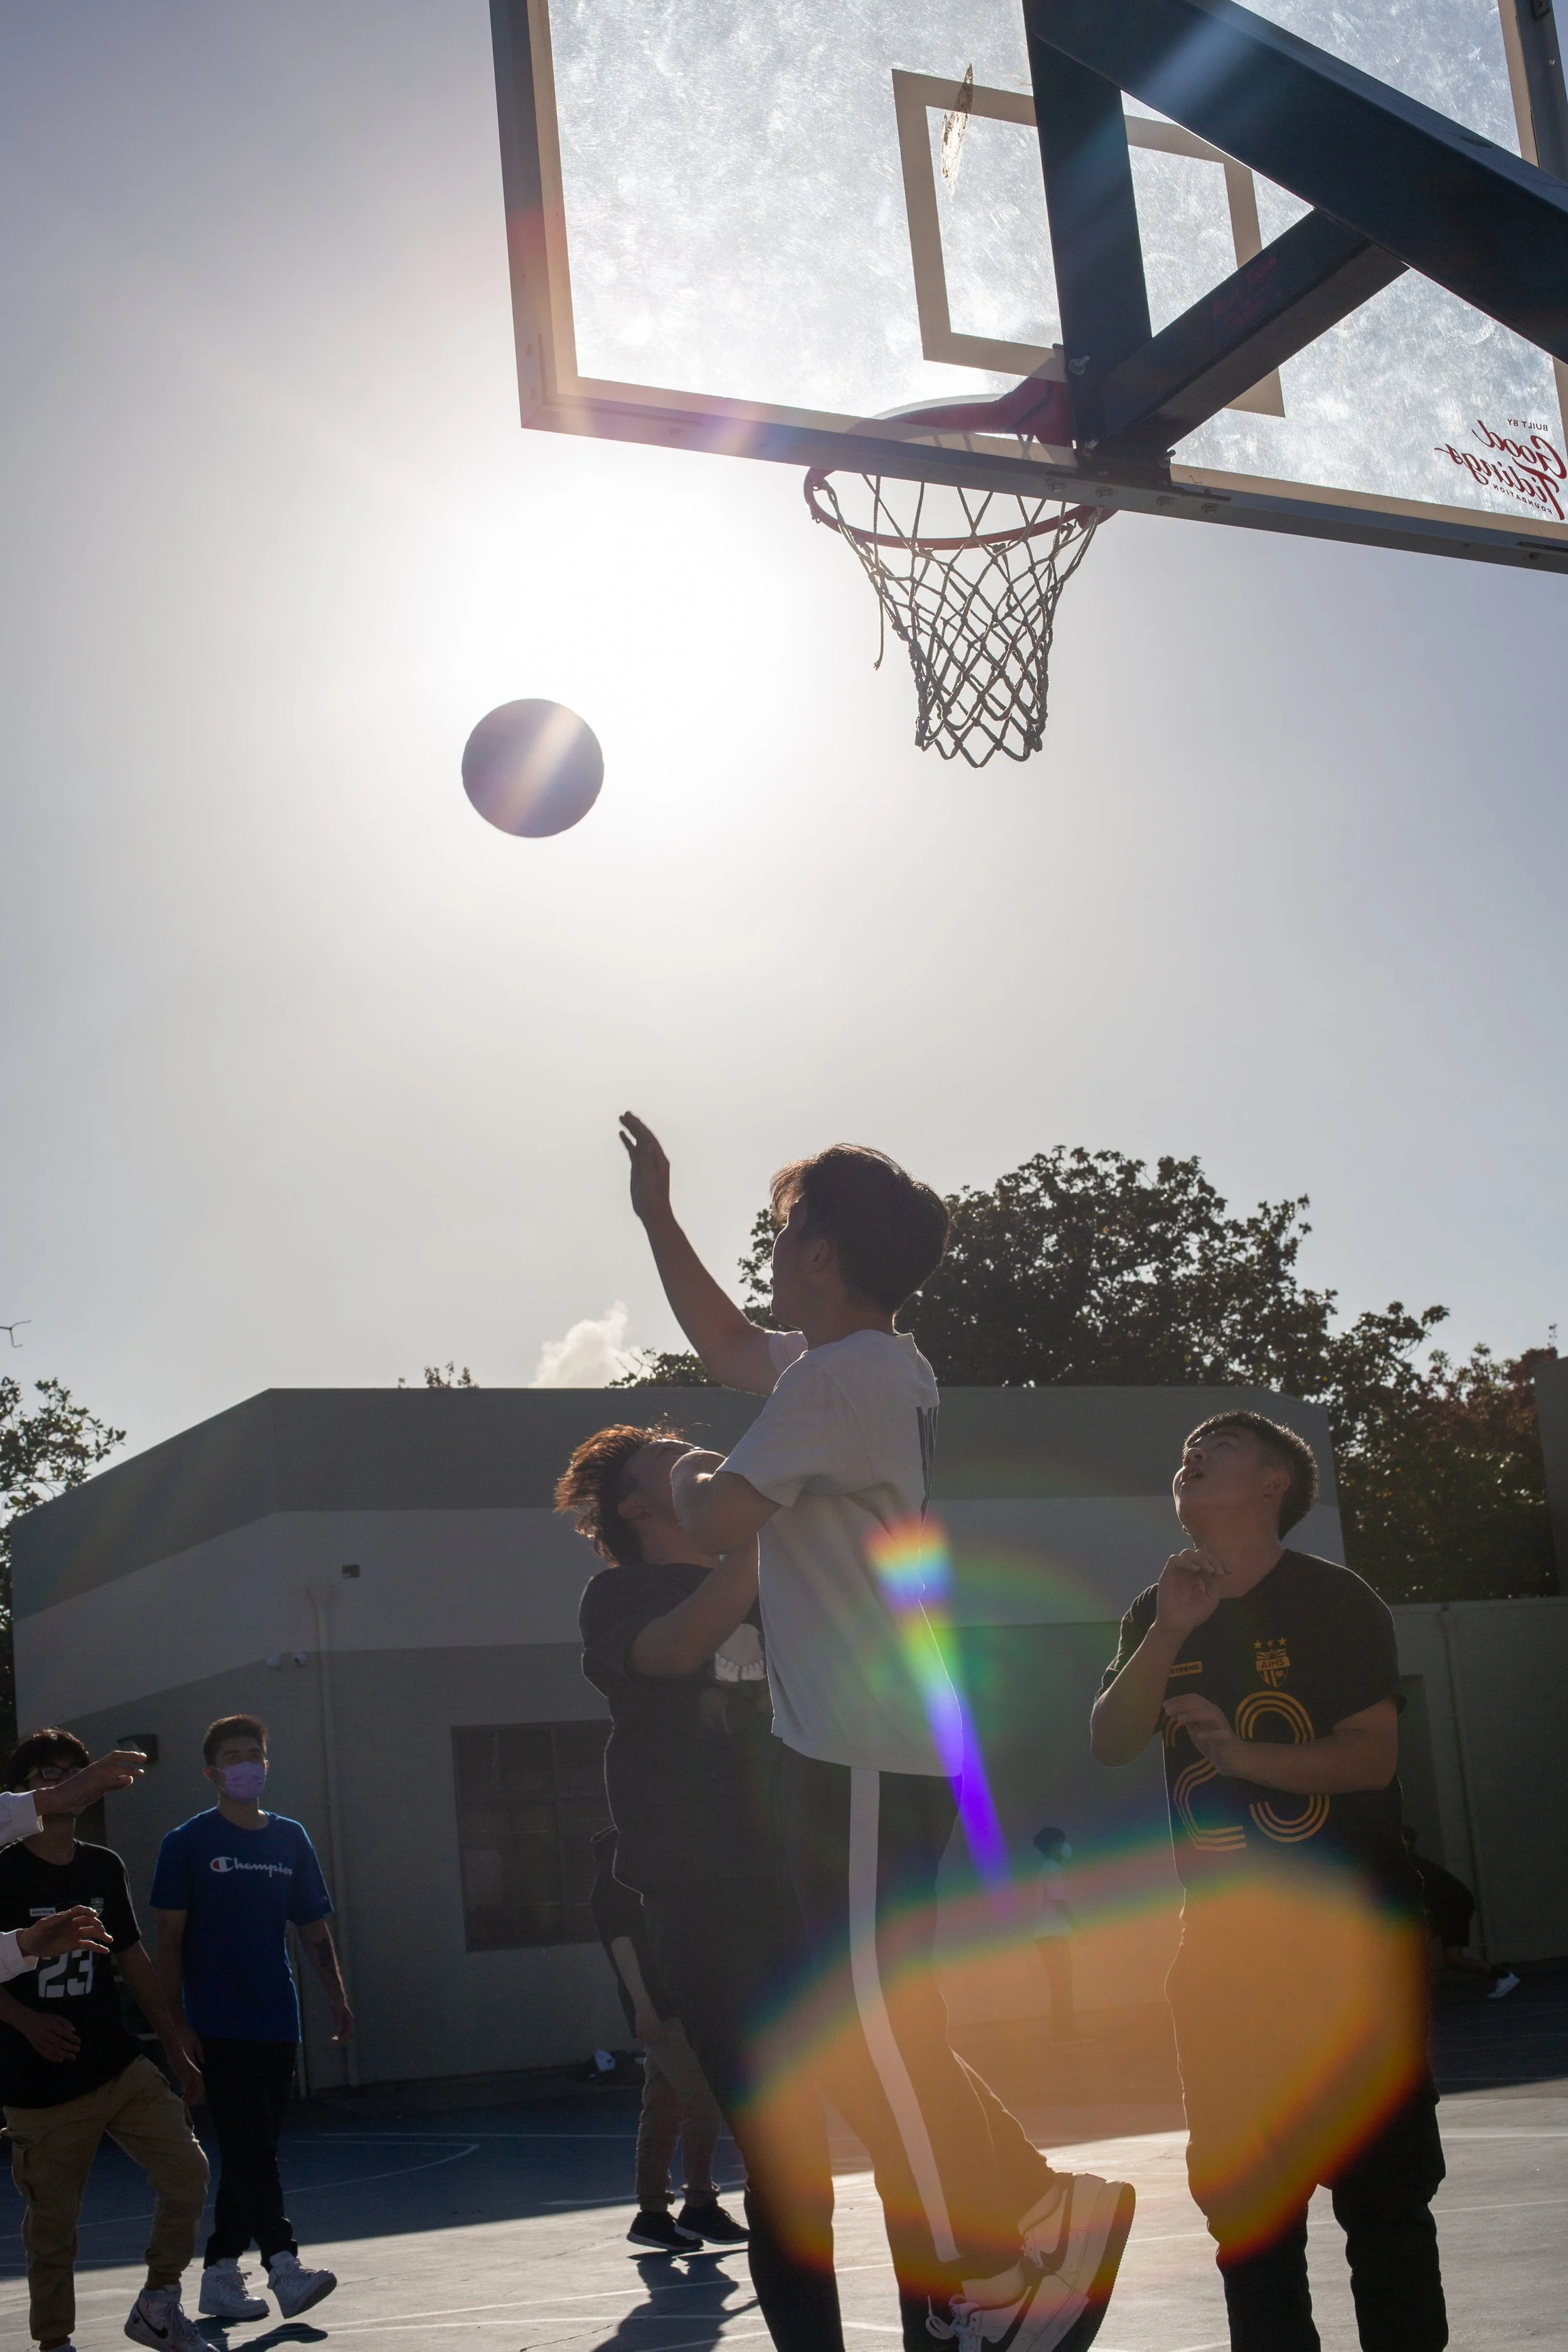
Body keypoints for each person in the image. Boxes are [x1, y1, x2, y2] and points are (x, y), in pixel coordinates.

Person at [620, 1112, 1135, 2352]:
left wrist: (675, 1473)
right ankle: (1032, 2207)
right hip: (865, 1749)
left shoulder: (840, 1383)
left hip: (857, 1751)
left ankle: (1002, 2251)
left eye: (786, 1227)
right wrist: (655, 1218)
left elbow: (724, 1513)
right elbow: (732, 1340)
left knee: (867, 2031)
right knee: (884, 2031)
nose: (774, 1245)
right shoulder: (863, 1366)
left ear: (819, 1253)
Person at [1091, 1412, 1448, 2352]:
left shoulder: (1335, 1602)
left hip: (1351, 1943)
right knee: (1249, 2212)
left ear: (1273, 1485)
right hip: (1221, 1950)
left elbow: (1369, 1757)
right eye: (1183, 1450)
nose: (1190, 1455)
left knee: (1384, 2200)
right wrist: (1168, 1630)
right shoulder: (1156, 1606)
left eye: (1218, 1449)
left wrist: (1241, 1754)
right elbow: (1110, 1737)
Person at [567, 1422, 847, 2351]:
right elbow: (682, 1646)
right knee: (786, 2153)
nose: (703, 1464)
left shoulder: (785, 1578)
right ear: (639, 1507)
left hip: (810, 1886)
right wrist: (761, 1534)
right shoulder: (622, 1592)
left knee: (881, 2106)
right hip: (708, 1897)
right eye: (671, 1461)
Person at [0, 1729, 209, 2352]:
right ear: (22, 1789)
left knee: (187, 2173)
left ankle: (159, 2303)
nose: (60, 1784)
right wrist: (25, 2020)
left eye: (71, 1772)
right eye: (45, 1774)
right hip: (39, 2080)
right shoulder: (4, 1871)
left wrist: (173, 2046)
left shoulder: (102, 1866)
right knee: (55, 2227)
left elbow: (133, 1958)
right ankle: (55, 2341)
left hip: (115, 2063)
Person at [151, 1714, 351, 2323]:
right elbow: (169, 1939)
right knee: (250, 2149)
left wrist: (336, 1995)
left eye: (253, 1754)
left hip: (277, 2018)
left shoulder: (289, 1839)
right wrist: (177, 2024)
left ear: (266, 1765)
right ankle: (283, 2266)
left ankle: (218, 2271)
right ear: (212, 1772)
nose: (245, 1764)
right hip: (217, 2020)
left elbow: (313, 1926)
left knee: (253, 2148)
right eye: (232, 1755)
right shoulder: (187, 1843)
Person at [588, 1824, 749, 2252]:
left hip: (680, 1998)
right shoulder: (619, 1863)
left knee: (663, 2105)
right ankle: (699, 2204)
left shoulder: (654, 1854)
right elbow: (619, 1940)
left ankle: (652, 2215)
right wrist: (642, 2004)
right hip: (661, 2005)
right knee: (703, 2098)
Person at [1401, 1827, 1519, 1998]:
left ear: (1408, 1843)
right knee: (1453, 1959)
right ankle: (1504, 1977)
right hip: (1452, 1906)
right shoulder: (1403, 1864)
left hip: (1454, 1906)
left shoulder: (1413, 1866)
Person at [1027, 1830, 1078, 2043]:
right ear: (1055, 1846)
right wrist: (1078, 1927)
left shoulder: (1048, 1869)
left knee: (1060, 1984)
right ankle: (1064, 2034)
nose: (1066, 1846)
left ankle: (1061, 2033)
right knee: (1062, 1984)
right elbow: (1060, 1901)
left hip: (1047, 1936)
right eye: (1062, 1842)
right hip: (1053, 1936)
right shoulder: (1053, 1869)